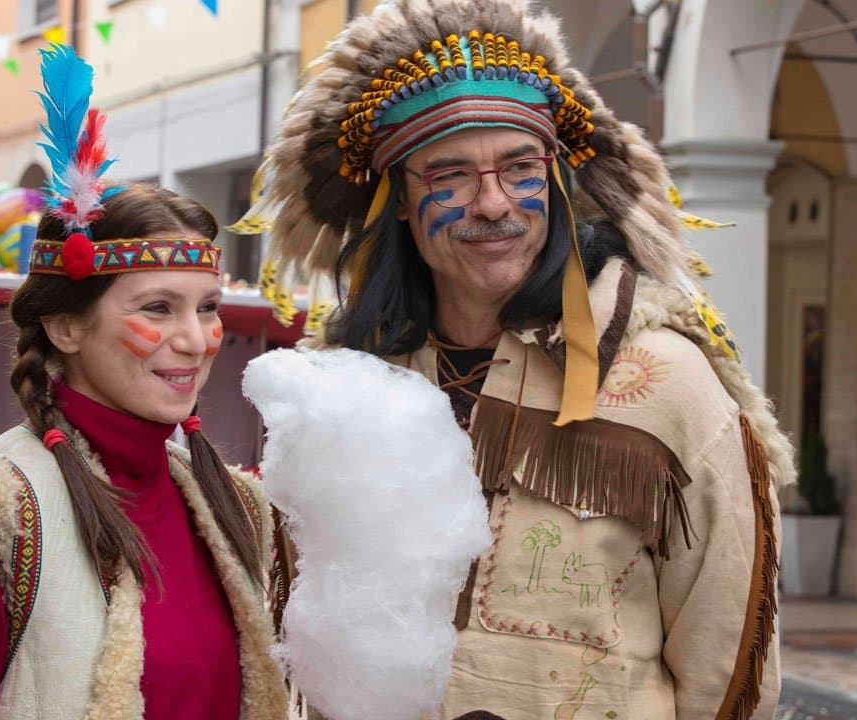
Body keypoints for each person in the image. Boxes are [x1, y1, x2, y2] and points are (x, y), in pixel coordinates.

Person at [235, 1, 795, 718]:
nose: (493, 202)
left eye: (519, 167)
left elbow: (727, 663)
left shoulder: (669, 384)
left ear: (556, 180)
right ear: (399, 200)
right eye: (450, 174)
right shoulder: (344, 386)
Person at [0, 45, 287, 719]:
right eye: (158, 308)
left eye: (208, 308)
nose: (193, 338)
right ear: (67, 328)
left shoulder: (235, 509)